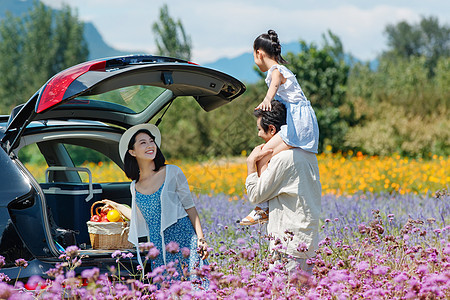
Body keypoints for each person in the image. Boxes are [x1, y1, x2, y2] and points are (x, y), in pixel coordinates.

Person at [103, 123, 208, 284]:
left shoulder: (172, 172)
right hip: (159, 251)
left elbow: (190, 207)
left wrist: (201, 239)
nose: (150, 145)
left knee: (195, 289)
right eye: (143, 142)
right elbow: (139, 218)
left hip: (186, 243)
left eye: (151, 141)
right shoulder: (134, 186)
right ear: (132, 152)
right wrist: (116, 206)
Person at [240, 29, 320, 226]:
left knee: (262, 154)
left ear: (259, 53)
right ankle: (263, 208)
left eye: (253, 55)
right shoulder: (280, 70)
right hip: (297, 123)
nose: (255, 60)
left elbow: (275, 83)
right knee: (263, 153)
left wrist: (267, 99)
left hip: (299, 125)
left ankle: (262, 208)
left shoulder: (276, 71)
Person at [245, 100, 322, 273]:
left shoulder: (284, 159)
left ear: (272, 129)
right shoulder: (307, 154)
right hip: (305, 242)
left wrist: (251, 164)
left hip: (288, 246)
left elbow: (256, 195)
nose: (258, 134)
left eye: (259, 129)